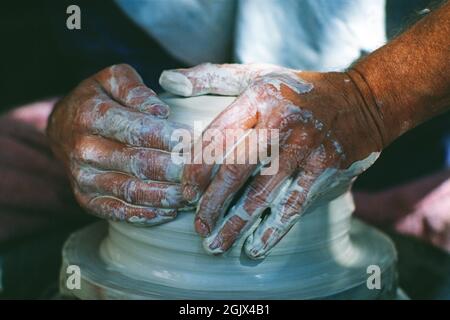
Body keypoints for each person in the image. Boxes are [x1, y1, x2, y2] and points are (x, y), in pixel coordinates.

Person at [45, 0, 450, 259]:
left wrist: (368, 100)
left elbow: (372, 99)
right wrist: (72, 128)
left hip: (397, 89)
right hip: (142, 34)